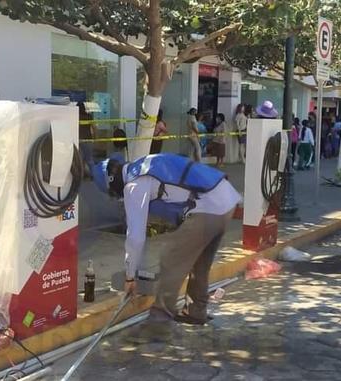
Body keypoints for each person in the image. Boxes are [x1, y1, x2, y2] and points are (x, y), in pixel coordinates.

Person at [92, 153, 241, 326]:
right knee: (199, 262)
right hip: (226, 199)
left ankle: (157, 323)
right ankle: (196, 312)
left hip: (208, 205)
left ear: (112, 185)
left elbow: (135, 237)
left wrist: (130, 277)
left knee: (171, 259)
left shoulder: (133, 185)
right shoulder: (144, 165)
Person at [78, 102, 96, 167]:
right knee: (90, 159)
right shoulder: (89, 116)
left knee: (80, 160)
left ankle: (81, 175)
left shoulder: (76, 116)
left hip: (79, 140)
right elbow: (94, 128)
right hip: (88, 139)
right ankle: (95, 174)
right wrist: (95, 138)